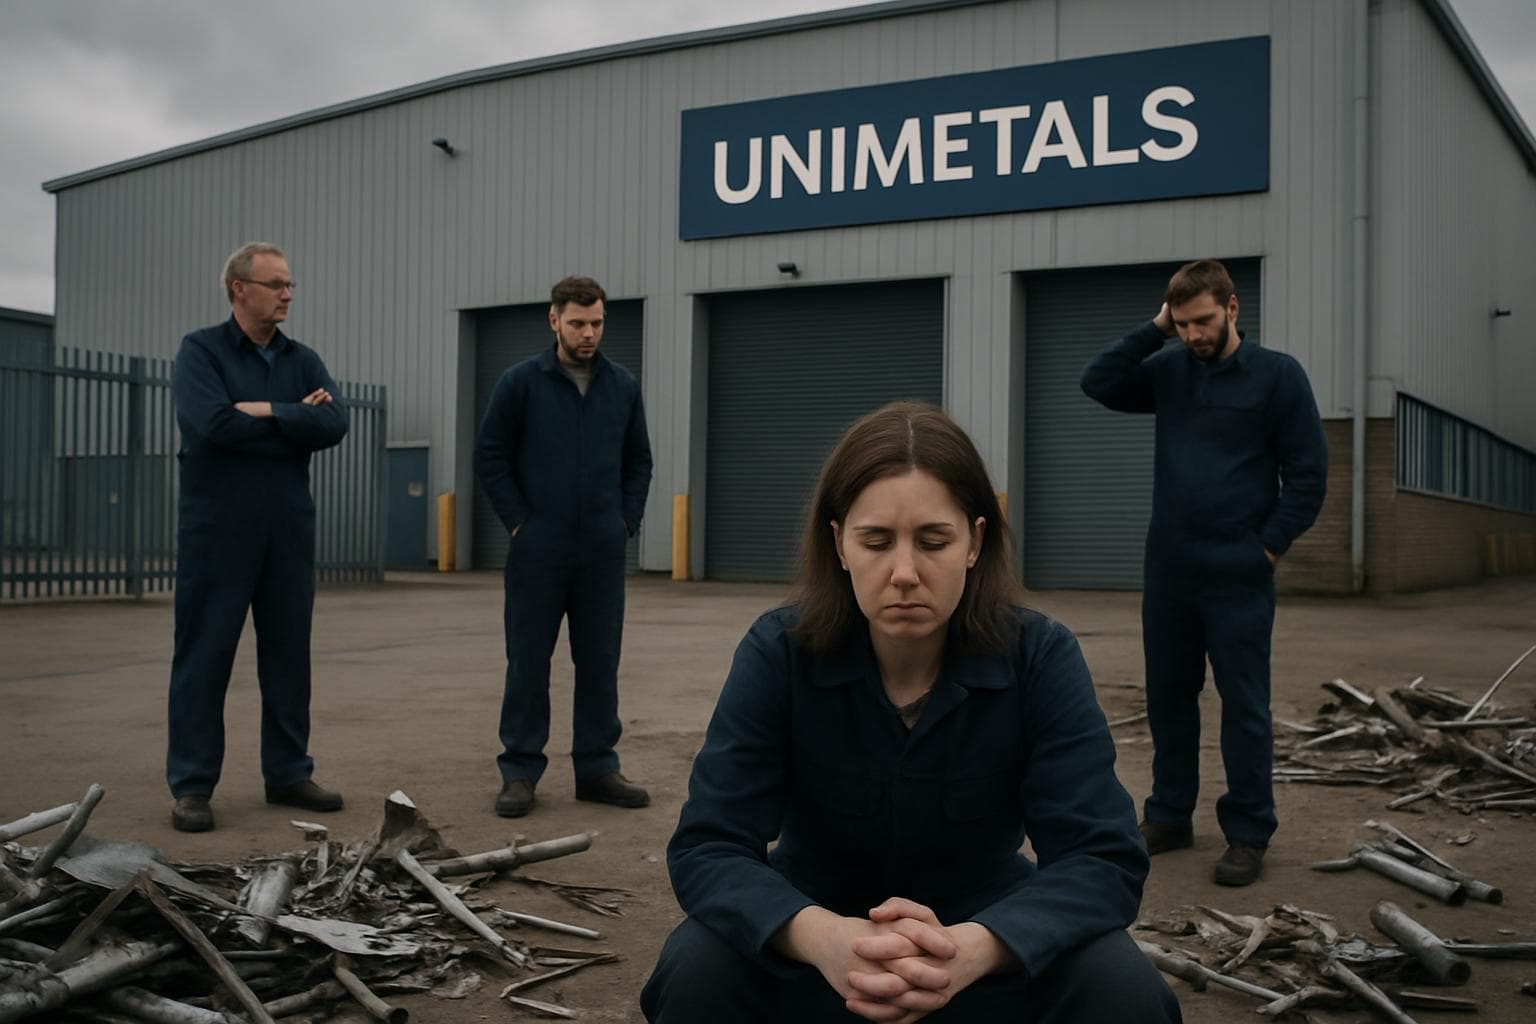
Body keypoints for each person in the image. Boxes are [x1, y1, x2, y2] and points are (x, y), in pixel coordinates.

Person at [642, 402, 1180, 1023]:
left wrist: (974, 948)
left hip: (986, 945)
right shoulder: (778, 653)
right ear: (838, 542)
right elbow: (709, 845)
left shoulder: (1039, 656)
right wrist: (824, 938)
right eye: (876, 541)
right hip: (812, 940)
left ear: (975, 541)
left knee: (1123, 987)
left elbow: (1103, 857)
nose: (904, 573)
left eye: (933, 540)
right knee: (695, 968)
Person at [1081, 258, 1327, 886]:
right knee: (1168, 696)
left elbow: (1308, 476)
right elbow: (1099, 381)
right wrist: (1155, 328)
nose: (1194, 334)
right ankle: (1169, 815)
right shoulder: (1167, 370)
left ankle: (1247, 831)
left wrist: (1265, 549)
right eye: (1183, 322)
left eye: (1203, 321)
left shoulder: (1277, 377)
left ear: (1233, 307)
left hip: (1238, 573)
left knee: (1244, 705)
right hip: (1169, 570)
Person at [166, 242, 350, 833]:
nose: (288, 294)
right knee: (205, 657)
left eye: (290, 285)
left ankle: (289, 773)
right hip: (217, 532)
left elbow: (335, 423)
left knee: (289, 656)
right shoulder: (201, 351)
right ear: (239, 289)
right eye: (276, 285)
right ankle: (193, 785)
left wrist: (266, 410)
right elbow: (213, 425)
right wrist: (295, 419)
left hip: (287, 531)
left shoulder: (302, 359)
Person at [475, 275, 654, 818]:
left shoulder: (621, 386)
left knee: (599, 661)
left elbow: (638, 460)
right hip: (538, 549)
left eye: (596, 322)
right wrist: (519, 523)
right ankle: (520, 771)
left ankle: (598, 768)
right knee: (528, 661)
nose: (588, 333)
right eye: (578, 322)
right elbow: (491, 457)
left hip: (601, 550)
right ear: (554, 320)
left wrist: (625, 520)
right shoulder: (521, 383)